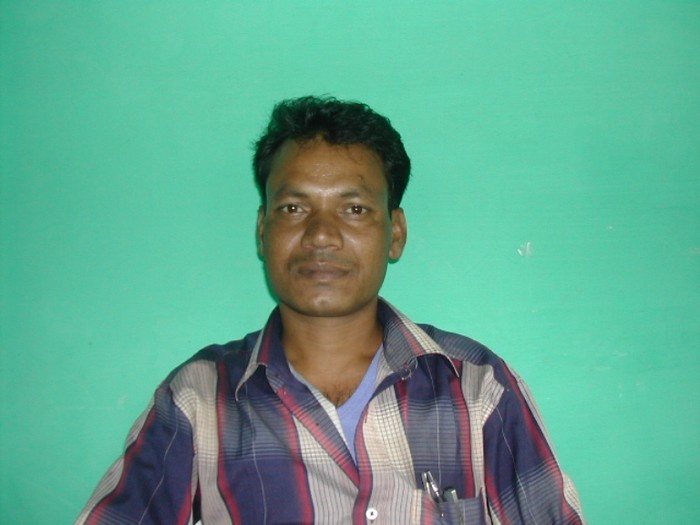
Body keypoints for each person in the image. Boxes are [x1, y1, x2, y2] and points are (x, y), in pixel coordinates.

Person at [76, 96, 586, 525]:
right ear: (263, 230)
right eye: (294, 208)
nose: (321, 235)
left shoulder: (476, 387)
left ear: (396, 233)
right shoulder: (199, 399)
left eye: (354, 209)